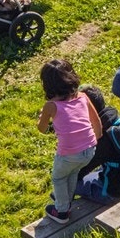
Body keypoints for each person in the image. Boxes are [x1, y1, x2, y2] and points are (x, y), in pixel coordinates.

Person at [37, 59, 102, 224]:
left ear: (48, 85)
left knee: (58, 178)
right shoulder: (83, 96)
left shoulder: (51, 106)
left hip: (68, 153)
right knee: (72, 173)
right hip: (89, 149)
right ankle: (68, 202)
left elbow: (42, 129)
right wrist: (93, 140)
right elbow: (97, 124)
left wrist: (43, 118)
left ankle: (61, 212)